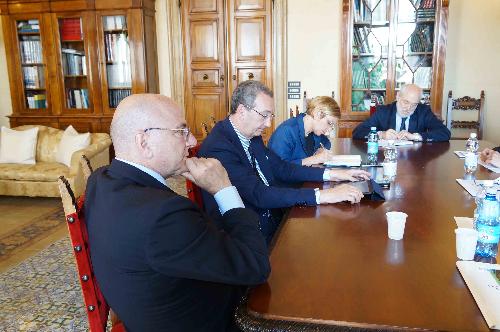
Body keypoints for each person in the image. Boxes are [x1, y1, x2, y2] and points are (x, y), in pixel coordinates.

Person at [85, 94, 270, 332]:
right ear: (144, 142)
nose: (192, 141)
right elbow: (256, 266)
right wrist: (225, 190)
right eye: (181, 131)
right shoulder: (165, 215)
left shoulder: (100, 180)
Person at [199, 80, 370, 243]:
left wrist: (335, 174)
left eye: (270, 116)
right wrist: (324, 195)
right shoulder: (219, 146)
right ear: (242, 111)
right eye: (264, 116)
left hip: (271, 214)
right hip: (248, 233)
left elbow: (283, 168)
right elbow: (259, 194)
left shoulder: (251, 135)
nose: (268, 124)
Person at [352, 84, 450, 142]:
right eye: (406, 102)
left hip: (415, 161)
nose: (408, 108)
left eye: (414, 104)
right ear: (398, 96)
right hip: (386, 159)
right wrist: (381, 135)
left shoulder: (423, 112)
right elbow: (357, 132)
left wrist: (415, 136)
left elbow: (445, 133)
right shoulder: (383, 111)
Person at [268, 96, 340, 166]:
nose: (330, 129)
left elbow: (326, 142)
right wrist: (313, 159)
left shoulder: (314, 131)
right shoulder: (285, 131)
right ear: (318, 114)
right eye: (329, 123)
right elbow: (279, 168)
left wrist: (320, 150)